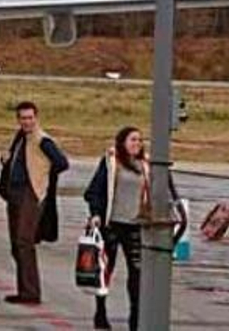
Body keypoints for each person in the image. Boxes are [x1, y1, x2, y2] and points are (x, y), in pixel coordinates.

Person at [84, 126, 181, 330]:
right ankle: (100, 311)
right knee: (105, 270)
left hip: (136, 225)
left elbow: (162, 191)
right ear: (122, 142)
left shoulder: (146, 164)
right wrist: (96, 213)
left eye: (139, 140)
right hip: (112, 224)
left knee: (137, 274)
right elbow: (94, 191)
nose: (137, 144)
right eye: (132, 140)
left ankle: (135, 318)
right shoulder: (111, 162)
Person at [0, 100, 69, 305]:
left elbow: (62, 163)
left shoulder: (42, 141)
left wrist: (43, 176)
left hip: (31, 193)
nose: (26, 122)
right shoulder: (21, 137)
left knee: (24, 241)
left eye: (30, 118)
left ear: (36, 118)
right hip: (15, 193)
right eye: (23, 118)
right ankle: (24, 289)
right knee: (16, 244)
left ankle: (31, 292)